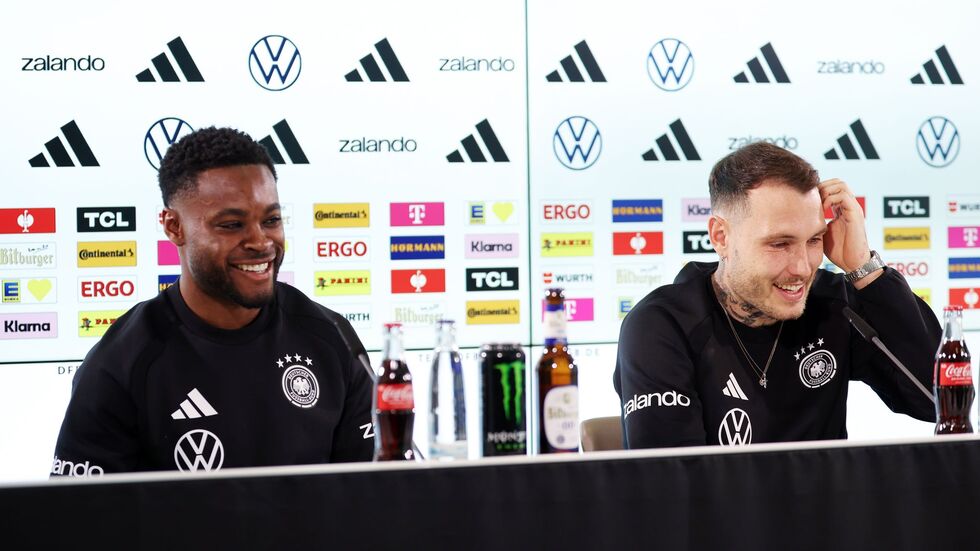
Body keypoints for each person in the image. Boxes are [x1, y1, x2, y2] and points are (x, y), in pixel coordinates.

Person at [51, 127, 373, 476]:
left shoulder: (332, 337)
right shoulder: (120, 364)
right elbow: (80, 520)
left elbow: (376, 494)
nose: (260, 241)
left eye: (271, 220)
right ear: (174, 227)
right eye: (232, 224)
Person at [614, 142, 940, 448]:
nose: (802, 268)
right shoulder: (662, 326)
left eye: (814, 240)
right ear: (721, 236)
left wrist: (865, 269)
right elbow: (669, 483)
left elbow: (936, 400)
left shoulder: (832, 305)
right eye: (780, 244)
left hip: (832, 509)